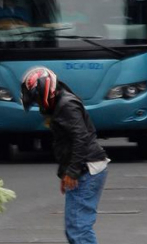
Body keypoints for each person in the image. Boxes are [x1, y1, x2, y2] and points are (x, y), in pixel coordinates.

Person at [21, 67, 110, 244]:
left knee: (79, 229)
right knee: (74, 229)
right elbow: (66, 143)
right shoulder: (59, 104)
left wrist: (73, 171)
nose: (38, 104)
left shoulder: (66, 105)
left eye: (37, 100)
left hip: (88, 169)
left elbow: (81, 138)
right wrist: (66, 172)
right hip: (83, 168)